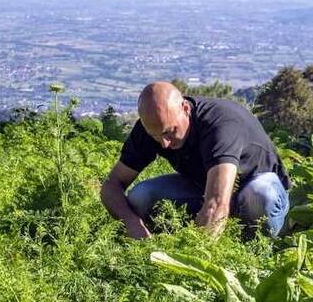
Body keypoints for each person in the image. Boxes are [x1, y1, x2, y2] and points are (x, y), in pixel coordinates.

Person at [100, 81, 290, 239]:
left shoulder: (220, 126)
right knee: (140, 197)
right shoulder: (151, 129)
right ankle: (160, 245)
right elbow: (112, 185)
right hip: (204, 189)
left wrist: (192, 260)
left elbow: (216, 202)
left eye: (169, 131)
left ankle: (264, 252)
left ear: (184, 108)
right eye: (155, 136)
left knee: (260, 196)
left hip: (257, 189)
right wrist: (133, 224)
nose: (164, 143)